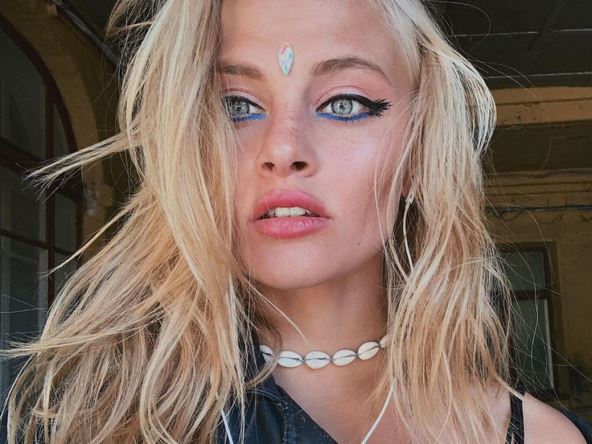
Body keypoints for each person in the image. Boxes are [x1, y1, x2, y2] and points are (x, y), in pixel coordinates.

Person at [1, 0, 590, 442]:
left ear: (419, 153)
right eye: (236, 105)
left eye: (345, 103)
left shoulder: (540, 437)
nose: (283, 149)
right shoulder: (91, 419)